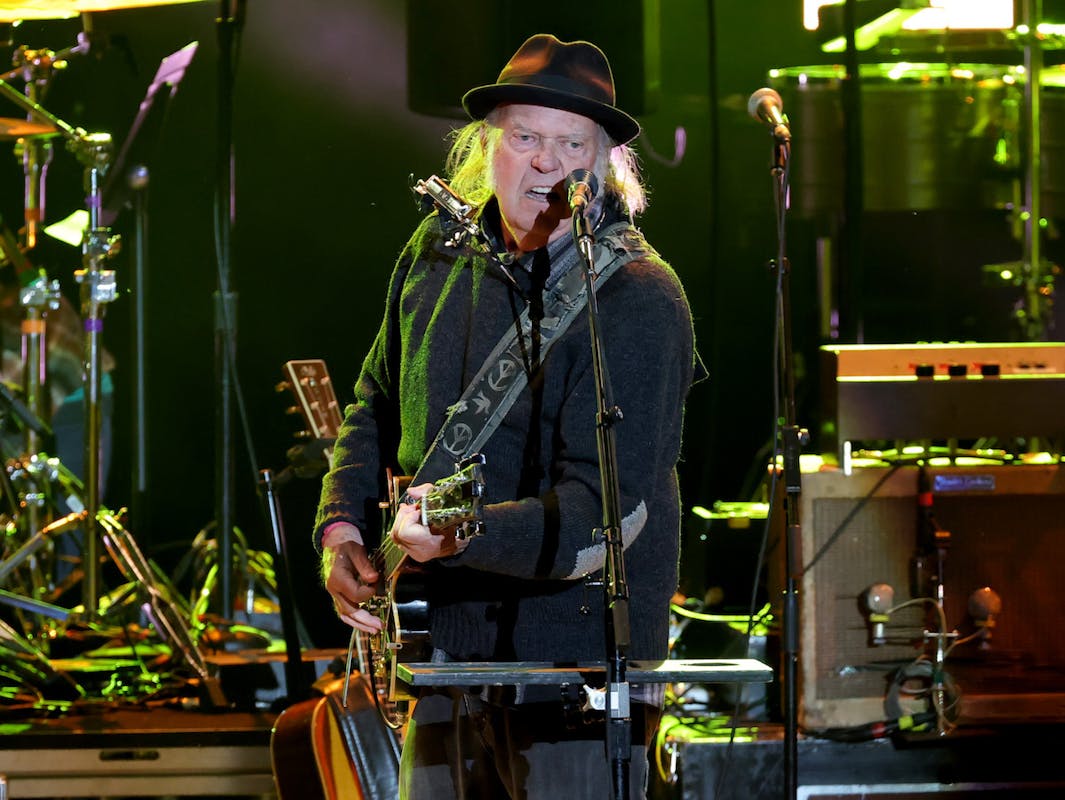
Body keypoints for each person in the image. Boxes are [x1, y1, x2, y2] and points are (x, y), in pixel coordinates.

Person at [315, 33, 699, 800]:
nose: (547, 163)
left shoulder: (638, 297)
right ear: (484, 147)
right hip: (445, 655)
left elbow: (605, 512)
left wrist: (460, 532)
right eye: (524, 138)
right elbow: (374, 399)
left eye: (571, 145)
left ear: (605, 163)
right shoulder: (436, 253)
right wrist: (341, 530)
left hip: (577, 671)